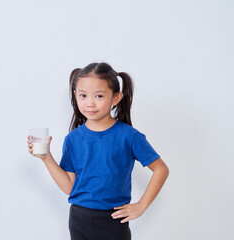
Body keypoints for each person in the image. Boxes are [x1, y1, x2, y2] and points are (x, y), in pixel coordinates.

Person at [27, 62, 169, 240]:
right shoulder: (73, 139)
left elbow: (161, 169)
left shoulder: (129, 136)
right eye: (83, 95)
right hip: (79, 219)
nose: (90, 103)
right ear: (75, 96)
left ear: (116, 98)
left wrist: (141, 205)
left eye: (99, 96)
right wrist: (46, 157)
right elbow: (69, 187)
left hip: (114, 220)